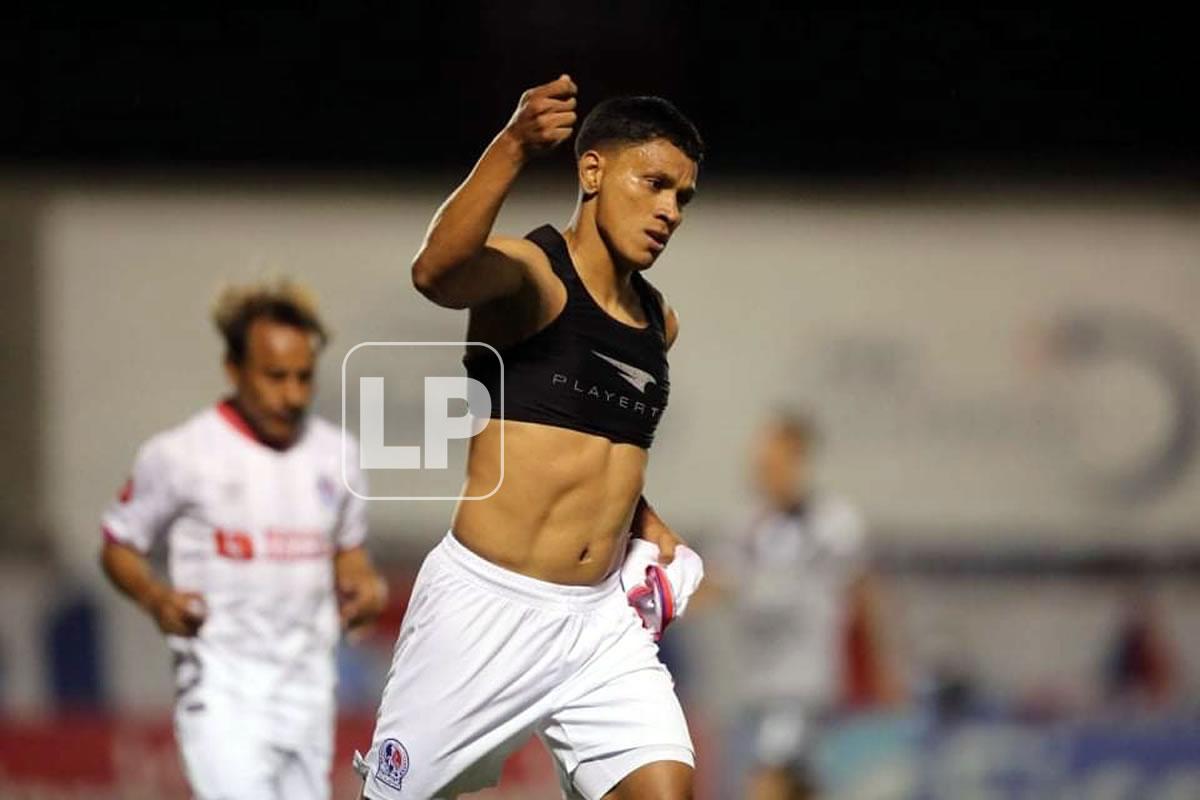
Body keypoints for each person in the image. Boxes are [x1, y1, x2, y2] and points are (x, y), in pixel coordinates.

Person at [355, 75, 704, 800]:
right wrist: (513, 144)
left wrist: (646, 519)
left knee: (665, 790)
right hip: (484, 610)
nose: (669, 209)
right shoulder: (532, 276)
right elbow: (435, 271)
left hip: (597, 626)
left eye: (684, 197)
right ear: (593, 170)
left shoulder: (657, 322)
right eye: (656, 183)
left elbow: (601, 453)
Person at [100, 278, 387, 800]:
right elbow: (118, 543)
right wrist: (156, 598)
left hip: (307, 688)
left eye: (305, 378)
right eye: (276, 377)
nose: (293, 395)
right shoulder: (181, 455)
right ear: (234, 370)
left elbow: (349, 553)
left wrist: (363, 586)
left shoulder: (336, 454)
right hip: (221, 687)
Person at [709, 412, 895, 800]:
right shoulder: (743, 525)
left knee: (769, 784)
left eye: (772, 460)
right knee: (799, 786)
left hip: (802, 686)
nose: (762, 469)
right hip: (751, 685)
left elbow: (862, 595)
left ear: (798, 460)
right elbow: (716, 585)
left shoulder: (833, 522)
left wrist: (882, 673)